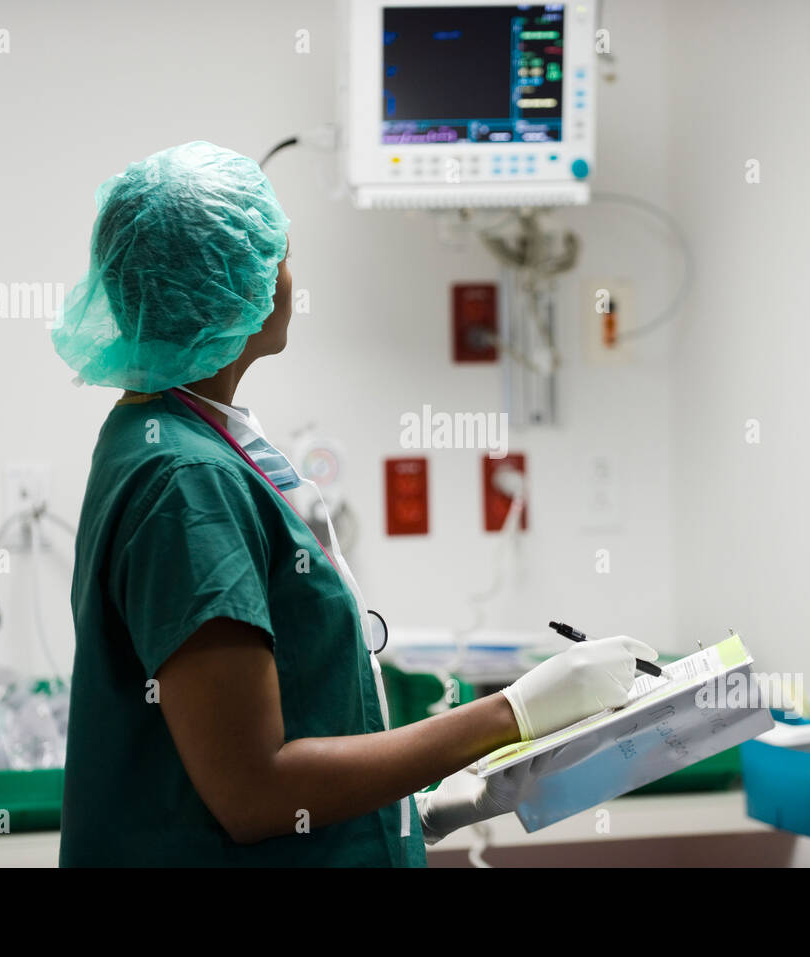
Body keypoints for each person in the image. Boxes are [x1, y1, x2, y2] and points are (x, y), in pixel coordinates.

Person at [51, 141, 657, 866]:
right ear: (228, 285)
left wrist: (408, 812)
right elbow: (253, 792)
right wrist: (511, 712)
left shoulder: (175, 438)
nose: (287, 276)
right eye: (276, 254)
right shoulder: (185, 480)